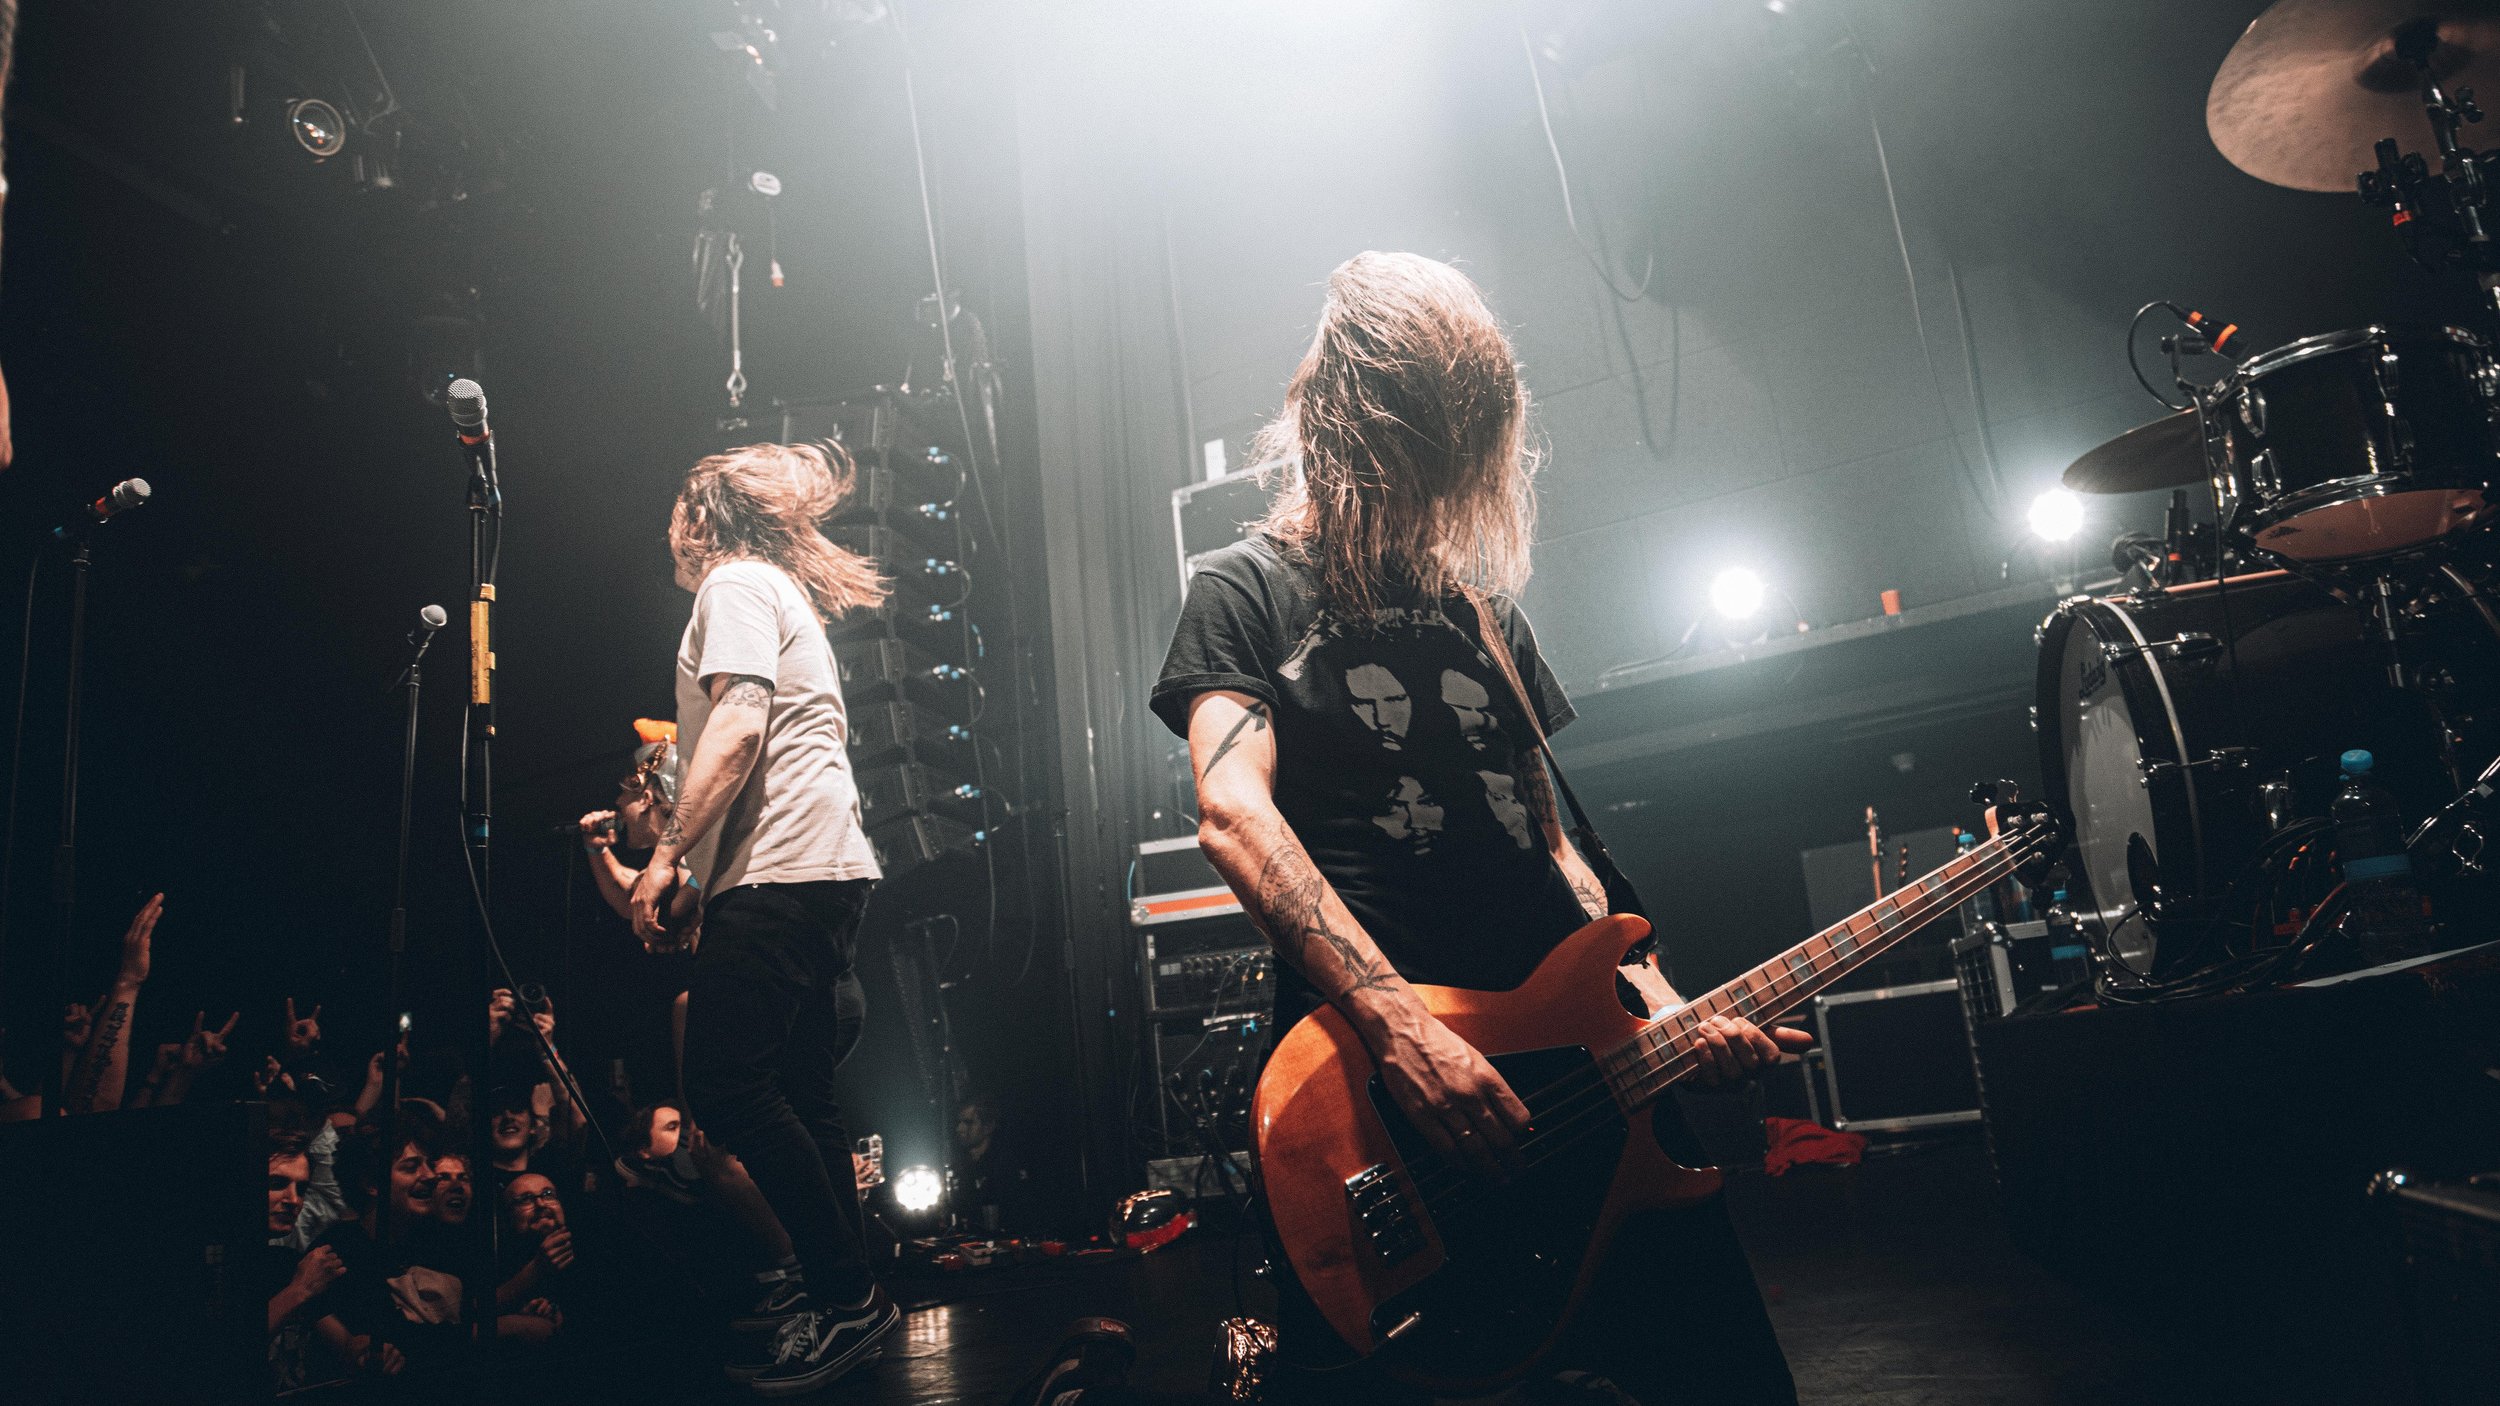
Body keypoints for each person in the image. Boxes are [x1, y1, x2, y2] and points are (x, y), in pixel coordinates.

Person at [1152, 252, 1805, 1404]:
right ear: (1349, 417)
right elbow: (1231, 810)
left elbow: (1560, 853)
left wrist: (1662, 1011)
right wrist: (1408, 1031)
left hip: (1580, 1081)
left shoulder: (1486, 615)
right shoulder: (1244, 588)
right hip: (1379, 1093)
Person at [630, 441, 898, 1394]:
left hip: (783, 872)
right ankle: (845, 1299)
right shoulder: (773, 587)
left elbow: (742, 724)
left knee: (726, 1084)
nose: (668, 530)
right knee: (802, 1093)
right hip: (822, 867)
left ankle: (842, 1294)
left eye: (675, 512)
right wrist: (700, 877)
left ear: (701, 519)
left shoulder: (734, 584)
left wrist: (665, 858)